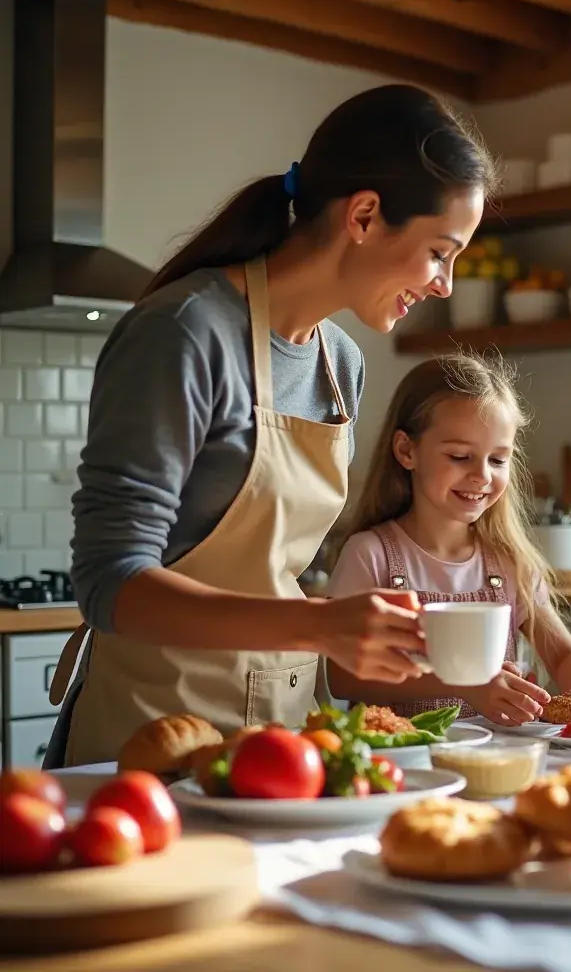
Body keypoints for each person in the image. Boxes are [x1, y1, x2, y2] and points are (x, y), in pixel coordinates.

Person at [44, 84, 498, 768]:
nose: (445, 285)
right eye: (440, 251)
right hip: (153, 740)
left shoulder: (340, 363)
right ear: (364, 215)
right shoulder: (185, 333)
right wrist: (319, 624)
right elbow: (110, 579)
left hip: (284, 746)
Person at [327, 353, 571, 726]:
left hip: (498, 757)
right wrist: (464, 684)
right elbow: (343, 676)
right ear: (406, 450)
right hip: (401, 757)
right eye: (460, 456)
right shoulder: (370, 556)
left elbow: (564, 656)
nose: (482, 475)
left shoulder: (510, 564)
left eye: (498, 460)